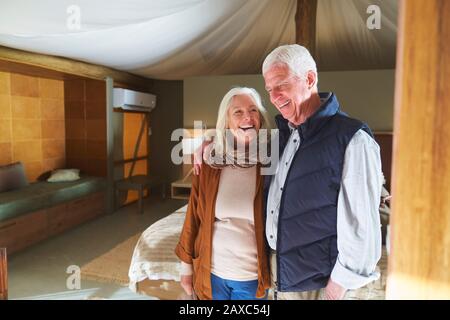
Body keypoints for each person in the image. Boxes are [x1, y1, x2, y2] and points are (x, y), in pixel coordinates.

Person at [262, 44, 383, 300]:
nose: (274, 97)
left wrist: (337, 286)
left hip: (318, 283)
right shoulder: (280, 136)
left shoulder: (352, 138)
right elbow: (236, 145)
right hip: (279, 274)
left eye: (281, 85)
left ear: (309, 79)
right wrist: (207, 146)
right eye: (269, 90)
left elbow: (362, 223)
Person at [175, 87, 271, 300]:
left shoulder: (272, 161)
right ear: (226, 121)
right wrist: (186, 269)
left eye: (253, 110)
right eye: (237, 112)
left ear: (260, 117)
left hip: (252, 280)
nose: (247, 116)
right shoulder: (209, 162)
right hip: (211, 276)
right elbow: (193, 216)